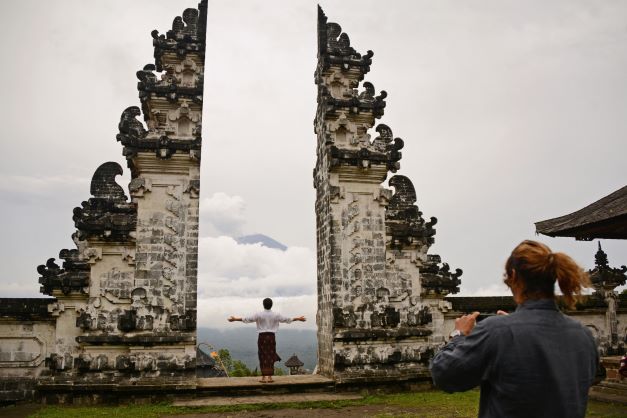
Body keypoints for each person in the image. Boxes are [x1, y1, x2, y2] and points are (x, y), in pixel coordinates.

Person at [431, 240, 598, 418]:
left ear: (513, 276)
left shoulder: (497, 331)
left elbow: (444, 375)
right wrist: (512, 329)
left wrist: (459, 335)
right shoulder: (583, 335)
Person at [228, 298, 306, 383]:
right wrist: (298, 318)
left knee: (262, 356)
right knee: (270, 355)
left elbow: (247, 319)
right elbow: (287, 319)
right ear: (271, 305)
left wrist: (235, 319)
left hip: (262, 337)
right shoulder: (276, 314)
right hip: (271, 337)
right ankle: (269, 377)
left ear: (263, 305)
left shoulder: (259, 314)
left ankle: (264, 377)